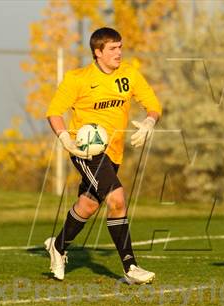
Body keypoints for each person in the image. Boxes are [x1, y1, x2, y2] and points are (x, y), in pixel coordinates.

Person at [44, 27, 162, 284]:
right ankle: (131, 267)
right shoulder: (77, 78)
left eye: (120, 47)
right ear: (97, 53)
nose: (119, 53)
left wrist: (149, 123)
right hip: (86, 151)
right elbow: (54, 111)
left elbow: (153, 104)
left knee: (88, 205)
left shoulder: (129, 74)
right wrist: (66, 139)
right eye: (112, 48)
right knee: (117, 200)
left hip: (114, 153)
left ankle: (58, 246)